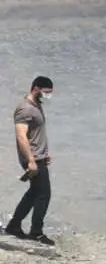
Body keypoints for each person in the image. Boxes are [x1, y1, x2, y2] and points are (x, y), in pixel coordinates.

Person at [3, 76, 56, 246]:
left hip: (39, 157)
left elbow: (36, 134)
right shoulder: (25, 109)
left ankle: (14, 226)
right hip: (32, 158)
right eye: (46, 92)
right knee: (44, 194)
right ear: (36, 88)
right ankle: (36, 232)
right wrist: (31, 161)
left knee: (34, 193)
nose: (48, 96)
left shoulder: (36, 105)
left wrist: (44, 153)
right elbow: (21, 136)